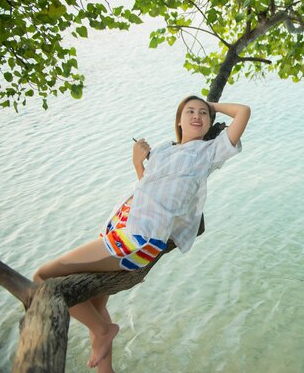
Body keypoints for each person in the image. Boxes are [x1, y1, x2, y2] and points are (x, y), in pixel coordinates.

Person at [33, 96, 250, 371]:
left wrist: (213, 105)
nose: (197, 115)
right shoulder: (163, 150)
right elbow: (151, 194)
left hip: (138, 238)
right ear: (179, 121)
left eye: (203, 114)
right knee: (95, 301)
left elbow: (243, 112)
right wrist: (139, 164)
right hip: (121, 228)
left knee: (42, 277)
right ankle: (105, 368)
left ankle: (102, 331)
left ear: (209, 123)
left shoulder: (209, 152)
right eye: (190, 111)